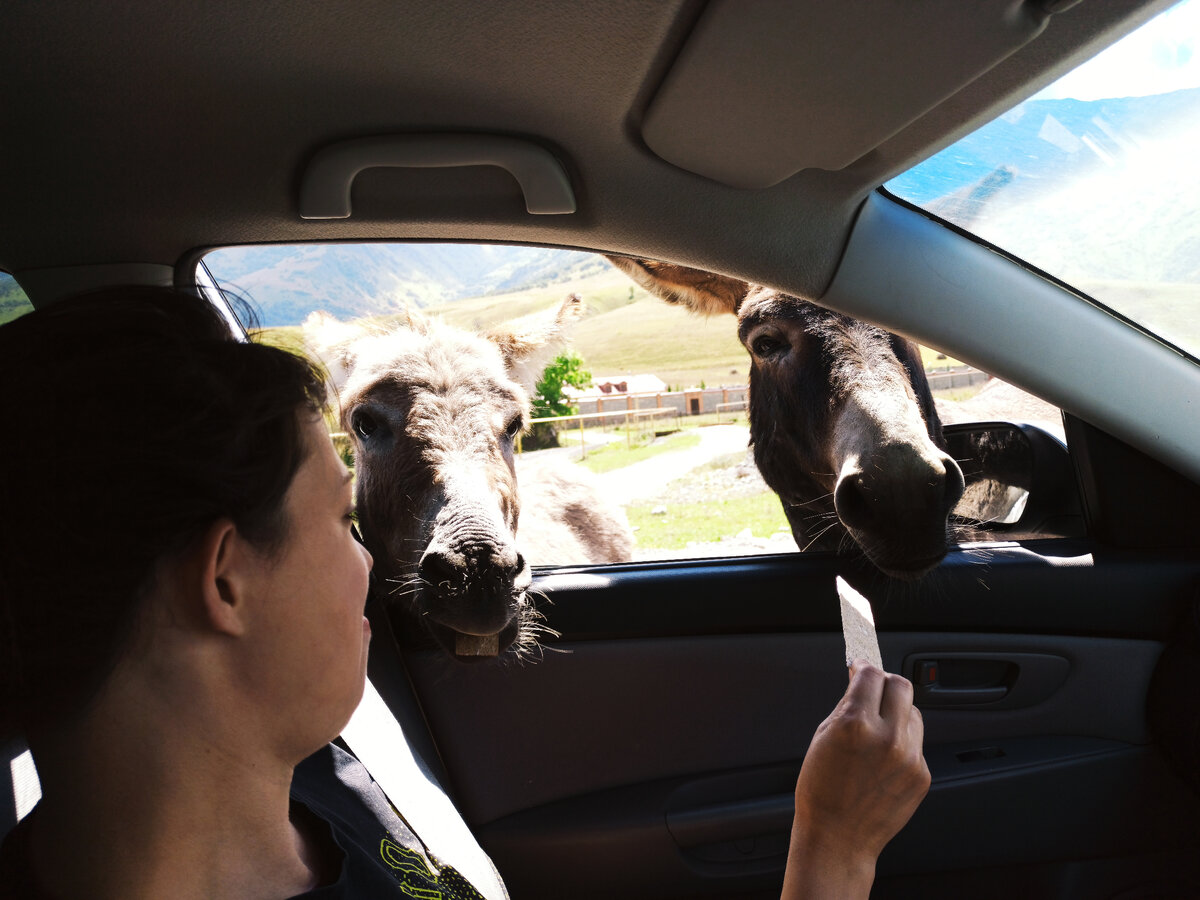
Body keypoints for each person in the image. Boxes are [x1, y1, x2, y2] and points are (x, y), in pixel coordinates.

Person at [0, 286, 928, 899]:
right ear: (225, 581)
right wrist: (833, 852)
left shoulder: (310, 806)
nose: (366, 562)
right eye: (337, 521)